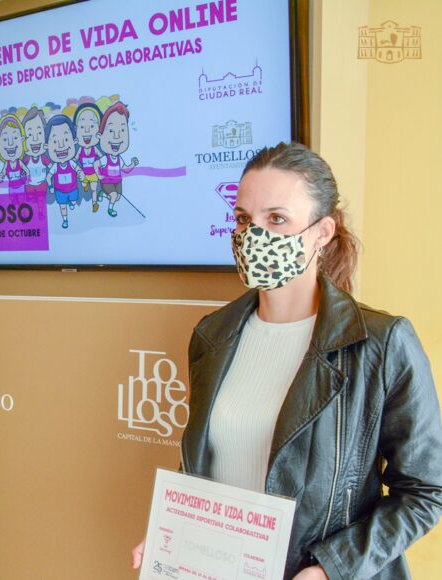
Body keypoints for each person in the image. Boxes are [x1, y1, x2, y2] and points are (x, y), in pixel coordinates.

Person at [131, 143, 442, 579]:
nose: (252, 235)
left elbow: (426, 492)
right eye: (244, 219)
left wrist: (330, 568)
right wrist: (173, 531)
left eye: (277, 219)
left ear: (322, 232)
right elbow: (205, 465)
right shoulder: (212, 336)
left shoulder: (380, 343)